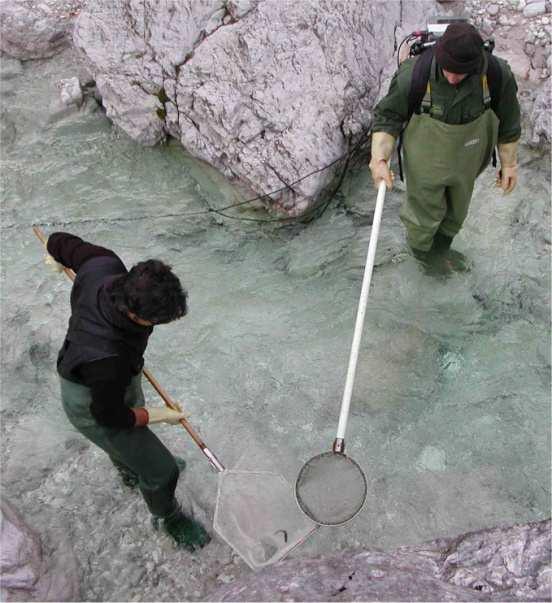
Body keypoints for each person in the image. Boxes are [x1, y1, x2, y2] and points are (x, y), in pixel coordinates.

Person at [45, 231, 210, 552]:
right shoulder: (108, 358)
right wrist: (160, 416)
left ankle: (130, 470)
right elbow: (110, 415)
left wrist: (54, 255)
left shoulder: (102, 265)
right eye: (158, 321)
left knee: (132, 426)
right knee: (164, 470)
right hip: (89, 399)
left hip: (109, 375)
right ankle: (168, 517)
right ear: (134, 314)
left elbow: (58, 240)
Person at [369, 22, 521, 269]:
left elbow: (510, 121)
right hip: (425, 162)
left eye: (459, 73)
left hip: (467, 161)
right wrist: (379, 160)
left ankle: (440, 252)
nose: (451, 77)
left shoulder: (496, 73)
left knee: (456, 215)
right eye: (447, 69)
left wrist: (509, 164)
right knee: (422, 219)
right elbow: (388, 119)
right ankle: (422, 261)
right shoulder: (414, 75)